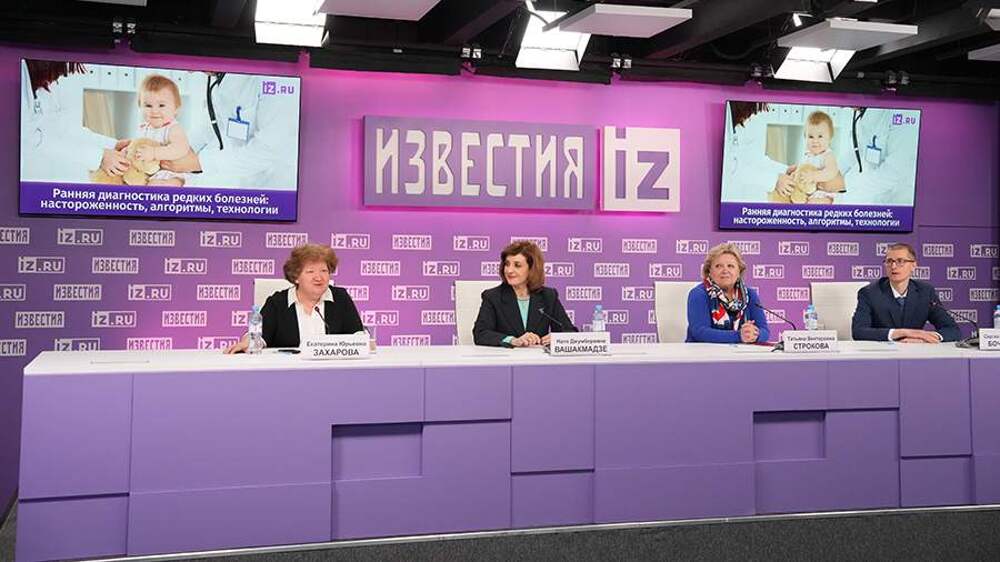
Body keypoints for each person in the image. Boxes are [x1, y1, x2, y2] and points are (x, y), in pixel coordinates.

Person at [161, 71, 299, 189]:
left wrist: (200, 163)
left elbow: (269, 149)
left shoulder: (276, 80)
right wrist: (183, 146)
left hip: (277, 184)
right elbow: (217, 120)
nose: (190, 72)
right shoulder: (221, 77)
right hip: (246, 182)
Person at [224, 243, 364, 353]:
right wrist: (247, 343)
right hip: (287, 373)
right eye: (310, 271)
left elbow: (357, 336)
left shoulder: (340, 298)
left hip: (333, 372)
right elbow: (258, 337)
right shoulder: (278, 303)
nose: (319, 277)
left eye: (324, 271)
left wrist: (364, 342)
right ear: (296, 277)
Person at [20, 59, 130, 182]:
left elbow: (60, 129)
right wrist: (99, 157)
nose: (58, 77)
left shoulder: (40, 88)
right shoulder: (19, 74)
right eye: (61, 69)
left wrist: (112, 145)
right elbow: (30, 137)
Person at [473, 240, 577, 347]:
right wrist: (512, 340)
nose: (509, 270)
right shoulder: (493, 297)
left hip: (537, 356)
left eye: (517, 265)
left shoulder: (548, 296)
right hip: (507, 356)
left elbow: (570, 331)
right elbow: (480, 333)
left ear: (532, 269)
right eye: (507, 264)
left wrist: (558, 338)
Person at [851, 243, 959, 343]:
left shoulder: (925, 292)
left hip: (915, 352)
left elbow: (952, 329)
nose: (893, 266)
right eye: (889, 261)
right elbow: (859, 331)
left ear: (913, 265)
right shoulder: (869, 293)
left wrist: (925, 338)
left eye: (900, 261)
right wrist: (903, 333)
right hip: (882, 353)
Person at [686, 243, 770, 344]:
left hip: (740, 352)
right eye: (718, 266)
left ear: (739, 272)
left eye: (730, 266)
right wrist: (739, 336)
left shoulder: (750, 295)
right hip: (703, 352)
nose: (725, 270)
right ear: (709, 271)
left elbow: (764, 331)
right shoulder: (699, 294)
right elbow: (700, 332)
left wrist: (755, 334)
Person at [132, 74, 193, 186]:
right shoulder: (142, 128)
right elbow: (136, 147)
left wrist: (154, 153)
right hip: (147, 173)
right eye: (148, 105)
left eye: (161, 105)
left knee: (164, 184)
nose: (154, 111)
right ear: (140, 106)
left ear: (176, 108)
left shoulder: (173, 128)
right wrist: (128, 150)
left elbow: (180, 149)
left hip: (170, 173)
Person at [772, 111, 845, 204]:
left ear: (830, 137)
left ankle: (825, 203)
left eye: (820, 136)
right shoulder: (807, 155)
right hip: (807, 192)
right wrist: (795, 172)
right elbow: (803, 169)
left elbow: (831, 172)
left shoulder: (827, 155)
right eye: (810, 137)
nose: (815, 141)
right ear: (805, 137)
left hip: (823, 193)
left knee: (816, 202)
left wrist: (814, 176)